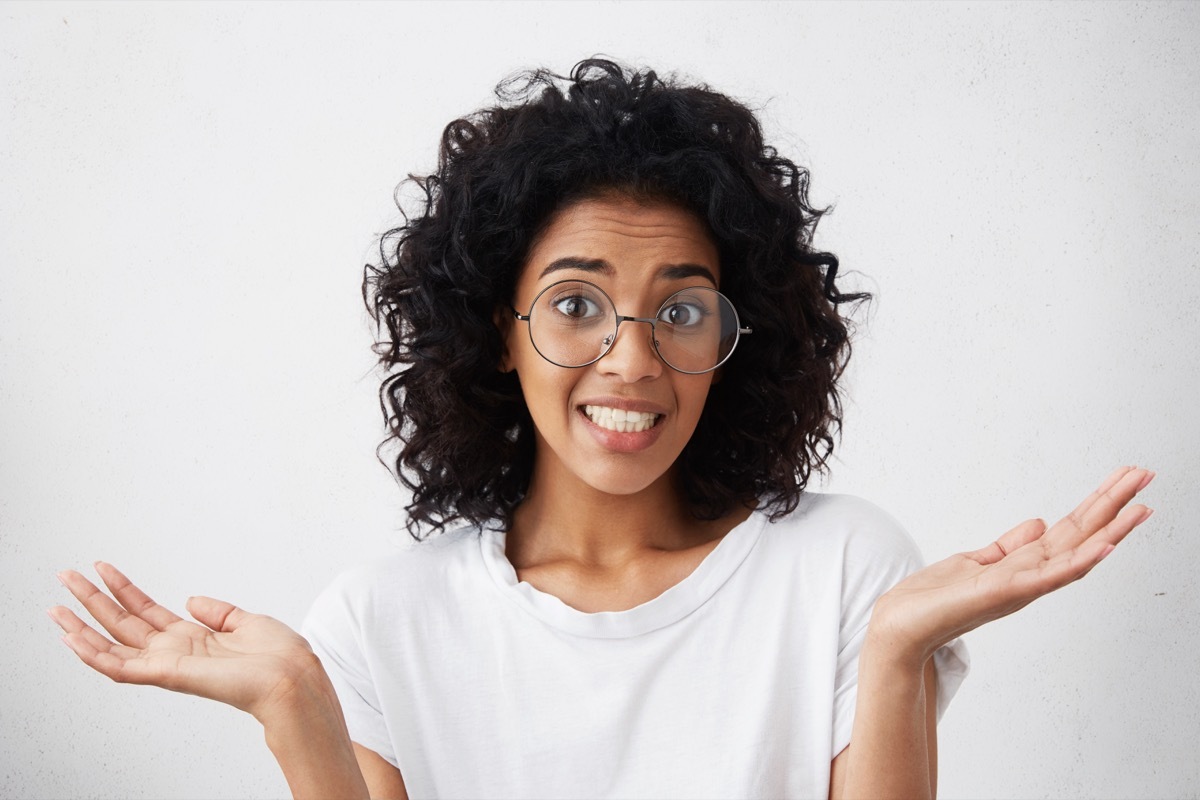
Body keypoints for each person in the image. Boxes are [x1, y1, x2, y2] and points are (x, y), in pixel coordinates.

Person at [49, 59, 1154, 799]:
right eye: (578, 303)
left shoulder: (845, 569)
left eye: (681, 308)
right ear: (499, 327)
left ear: (741, 335)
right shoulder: (383, 619)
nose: (632, 358)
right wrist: (297, 706)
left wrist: (900, 649)